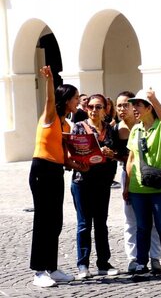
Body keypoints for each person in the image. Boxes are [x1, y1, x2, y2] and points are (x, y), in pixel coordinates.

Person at [29, 65, 81, 287]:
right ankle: (38, 271)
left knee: (55, 221)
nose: (78, 101)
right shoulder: (50, 116)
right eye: (76, 98)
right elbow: (50, 99)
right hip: (41, 170)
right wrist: (50, 80)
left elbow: (65, 156)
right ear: (66, 100)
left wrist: (80, 165)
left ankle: (52, 267)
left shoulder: (66, 123)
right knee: (43, 220)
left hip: (56, 171)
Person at [124, 88, 161, 280]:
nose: (134, 108)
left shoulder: (159, 127)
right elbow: (131, 159)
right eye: (134, 105)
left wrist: (153, 98)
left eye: (138, 104)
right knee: (142, 227)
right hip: (138, 189)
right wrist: (126, 187)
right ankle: (141, 264)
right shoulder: (135, 130)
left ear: (149, 108)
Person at [70, 94, 119, 279]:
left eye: (98, 107)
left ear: (105, 109)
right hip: (82, 181)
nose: (93, 110)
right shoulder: (79, 127)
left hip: (102, 182)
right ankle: (83, 265)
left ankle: (103, 263)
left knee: (101, 224)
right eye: (90, 106)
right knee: (84, 224)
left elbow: (116, 155)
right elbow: (72, 151)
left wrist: (110, 153)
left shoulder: (110, 129)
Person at [114, 91, 161, 274]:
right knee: (132, 220)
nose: (124, 108)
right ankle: (133, 258)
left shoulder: (147, 125)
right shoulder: (117, 128)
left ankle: (155, 258)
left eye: (127, 104)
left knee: (153, 221)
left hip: (150, 174)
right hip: (130, 174)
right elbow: (128, 159)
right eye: (119, 105)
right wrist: (126, 185)